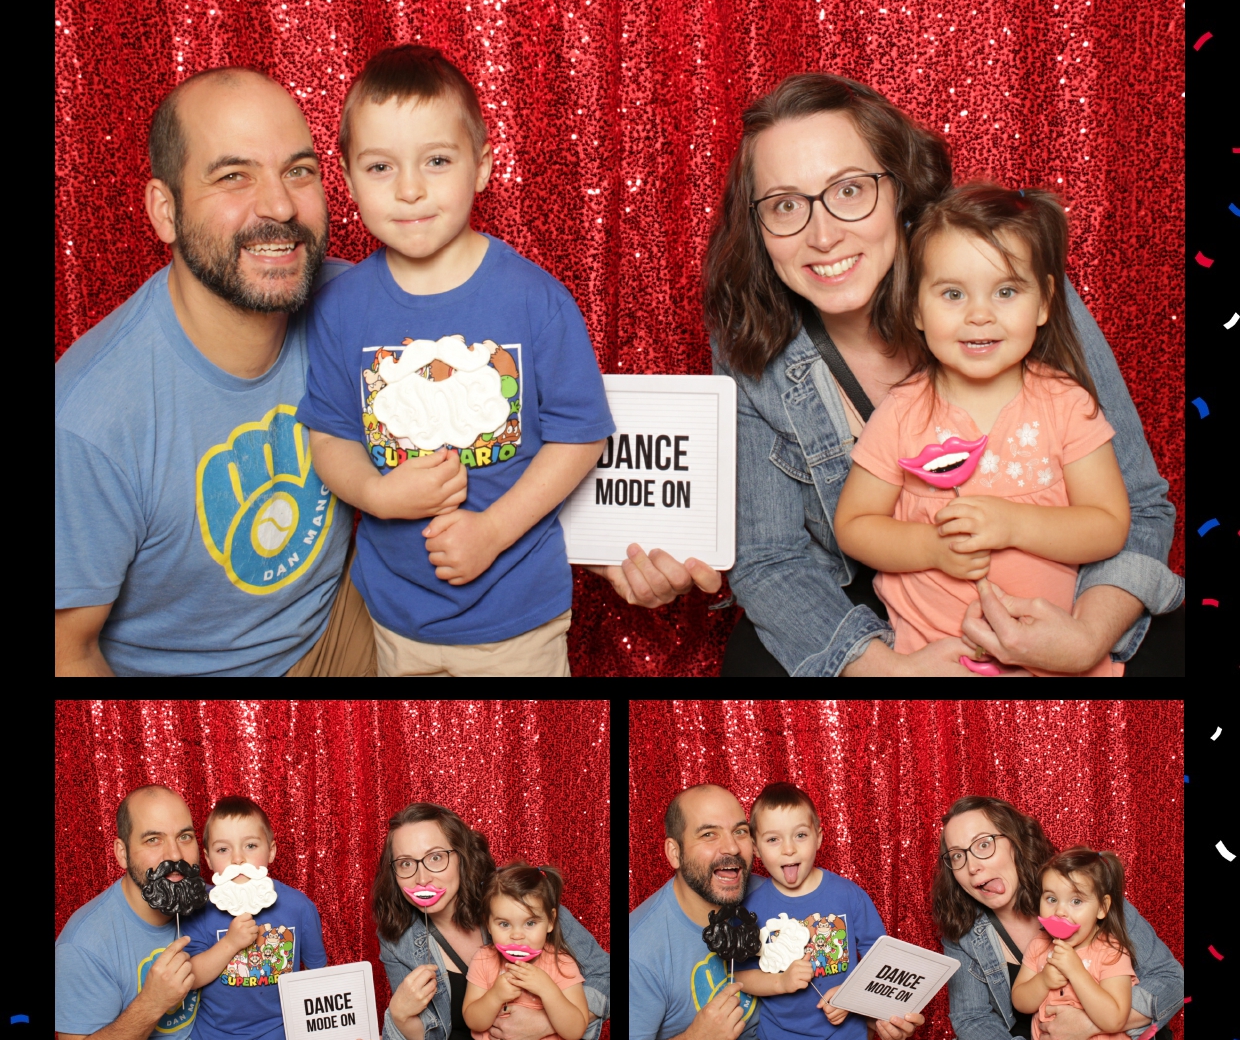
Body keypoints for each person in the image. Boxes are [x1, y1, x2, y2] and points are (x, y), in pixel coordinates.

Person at [591, 72, 1184, 676]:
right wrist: (890, 669)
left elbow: (1138, 506)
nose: (824, 236)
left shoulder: (1001, 277)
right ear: (757, 226)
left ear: (901, 188)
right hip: (878, 593)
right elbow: (771, 559)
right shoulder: (751, 335)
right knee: (752, 664)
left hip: (1060, 584)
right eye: (786, 205)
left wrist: (1084, 639)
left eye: (850, 190)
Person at [297, 45, 614, 678]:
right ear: (348, 180)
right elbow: (329, 434)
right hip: (394, 616)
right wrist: (377, 494)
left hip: (516, 620)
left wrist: (491, 531)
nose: (410, 189)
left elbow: (581, 437)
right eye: (380, 166)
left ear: (482, 166)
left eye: (437, 161)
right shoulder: (340, 307)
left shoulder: (537, 301)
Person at [55, 68, 374, 677]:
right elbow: (67, 653)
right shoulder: (87, 423)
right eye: (233, 176)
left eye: (299, 171)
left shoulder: (361, 308)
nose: (280, 206)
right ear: (165, 211)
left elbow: (491, 400)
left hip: (341, 620)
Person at [835, 183, 1131, 676]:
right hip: (934, 659)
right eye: (953, 294)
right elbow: (854, 525)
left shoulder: (1066, 405)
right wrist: (930, 549)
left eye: (1006, 291)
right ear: (916, 308)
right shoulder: (902, 412)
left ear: (1044, 302)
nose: (979, 315)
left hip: (1049, 660)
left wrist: (1014, 524)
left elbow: (1109, 526)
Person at [932, 795, 1183, 1040]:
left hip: (1119, 1037)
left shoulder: (1085, 892)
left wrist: (1087, 1025)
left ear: (1016, 841)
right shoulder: (964, 930)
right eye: (957, 855)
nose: (972, 867)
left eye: (983, 844)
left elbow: (1171, 979)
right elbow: (972, 1019)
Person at [373, 802, 610, 1040]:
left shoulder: (514, 893)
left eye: (436, 857)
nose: (422, 878)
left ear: (462, 855)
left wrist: (545, 1024)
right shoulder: (397, 932)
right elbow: (430, 1036)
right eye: (405, 863)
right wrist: (400, 1016)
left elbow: (606, 973)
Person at [733, 782, 924, 1040]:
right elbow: (740, 977)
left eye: (800, 835)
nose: (788, 849)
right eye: (773, 839)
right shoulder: (750, 908)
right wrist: (781, 982)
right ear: (755, 848)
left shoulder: (849, 895)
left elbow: (882, 962)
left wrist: (850, 994)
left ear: (819, 838)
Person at [183, 793, 373, 1040]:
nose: (238, 859)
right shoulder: (198, 908)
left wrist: (334, 1038)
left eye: (250, 845)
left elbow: (318, 977)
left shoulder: (299, 907)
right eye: (223, 849)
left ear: (271, 851)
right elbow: (191, 977)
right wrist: (231, 943)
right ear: (208, 858)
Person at [55, 786, 204, 1040]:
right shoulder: (83, 944)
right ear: (122, 853)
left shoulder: (213, 902)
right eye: (153, 840)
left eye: (185, 836)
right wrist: (151, 1003)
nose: (175, 854)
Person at [630, 785, 763, 1040]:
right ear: (674, 853)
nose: (732, 847)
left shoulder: (768, 896)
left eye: (740, 831)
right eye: (708, 834)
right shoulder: (639, 949)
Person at [1010, 847, 1139, 1040]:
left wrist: (1076, 971)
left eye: (1076, 901)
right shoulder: (1039, 946)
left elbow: (1115, 1019)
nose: (1060, 911)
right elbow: (1019, 1002)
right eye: (1051, 899)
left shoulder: (1111, 952)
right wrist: (1043, 980)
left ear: (1102, 907)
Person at [463, 864, 591, 1040]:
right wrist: (495, 996)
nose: (517, 935)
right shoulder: (484, 960)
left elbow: (576, 1030)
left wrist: (548, 990)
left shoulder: (562, 963)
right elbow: (473, 1021)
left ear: (550, 921)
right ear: (488, 924)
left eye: (530, 923)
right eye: (504, 924)